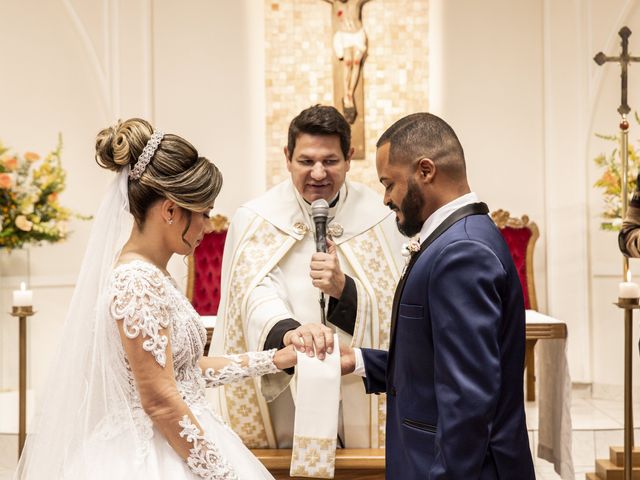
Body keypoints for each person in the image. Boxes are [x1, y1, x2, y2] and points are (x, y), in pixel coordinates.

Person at [15, 118, 298, 479]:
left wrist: (272, 360)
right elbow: (161, 402)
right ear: (169, 210)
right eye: (204, 214)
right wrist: (222, 474)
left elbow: (182, 375)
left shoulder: (153, 275)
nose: (207, 227)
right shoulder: (136, 281)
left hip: (175, 438)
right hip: (152, 455)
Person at [339, 113, 536, 478]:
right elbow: (439, 363)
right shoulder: (456, 238)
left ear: (425, 170)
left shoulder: (462, 252)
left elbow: (468, 399)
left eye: (389, 183)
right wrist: (360, 361)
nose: (386, 198)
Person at [209, 105, 404, 449]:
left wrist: (344, 290)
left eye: (330, 161)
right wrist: (289, 333)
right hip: (287, 395)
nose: (317, 173)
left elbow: (396, 308)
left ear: (349, 157)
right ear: (287, 157)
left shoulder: (381, 216)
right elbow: (251, 298)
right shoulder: (256, 218)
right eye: (306, 161)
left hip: (358, 388)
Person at [322, 0, 372, 123]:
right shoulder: (336, 2)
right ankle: (346, 94)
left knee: (356, 62)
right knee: (347, 62)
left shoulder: (356, 2)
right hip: (345, 35)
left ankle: (350, 93)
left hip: (357, 34)